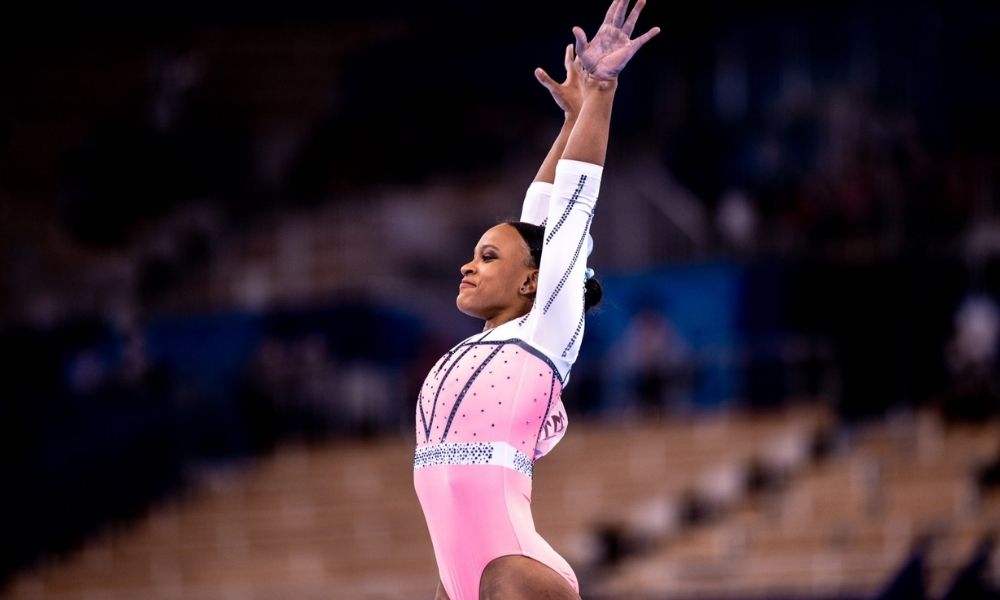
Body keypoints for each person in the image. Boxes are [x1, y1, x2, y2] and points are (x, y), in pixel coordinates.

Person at [412, 2, 659, 598]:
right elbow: (538, 220)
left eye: (488, 257)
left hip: (510, 569)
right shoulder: (490, 340)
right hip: (457, 578)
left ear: (532, 283)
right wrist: (570, 120)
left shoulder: (545, 331)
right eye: (474, 253)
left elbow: (569, 211)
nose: (469, 264)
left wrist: (600, 90)